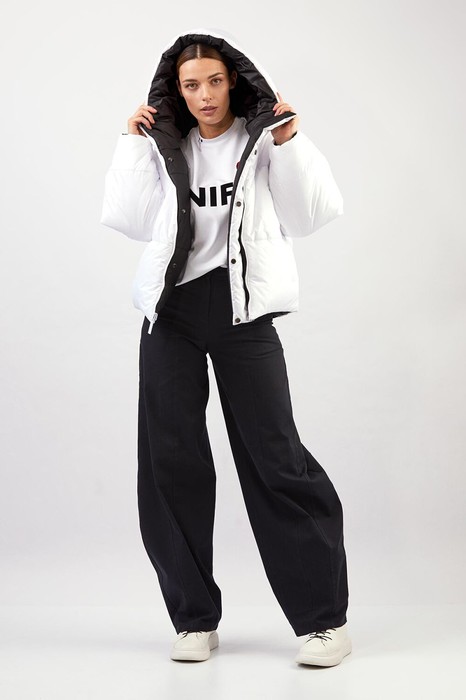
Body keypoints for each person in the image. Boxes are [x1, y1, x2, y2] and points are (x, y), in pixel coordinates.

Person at [101, 28, 352, 667]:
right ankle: (193, 619)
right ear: (176, 91)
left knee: (277, 457)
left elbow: (311, 216)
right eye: (191, 85)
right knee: (170, 461)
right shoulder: (166, 144)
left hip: (243, 310)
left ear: (233, 80)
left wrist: (290, 142)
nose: (205, 95)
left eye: (214, 81)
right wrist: (132, 143)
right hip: (172, 312)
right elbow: (129, 219)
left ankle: (323, 622)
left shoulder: (260, 139)